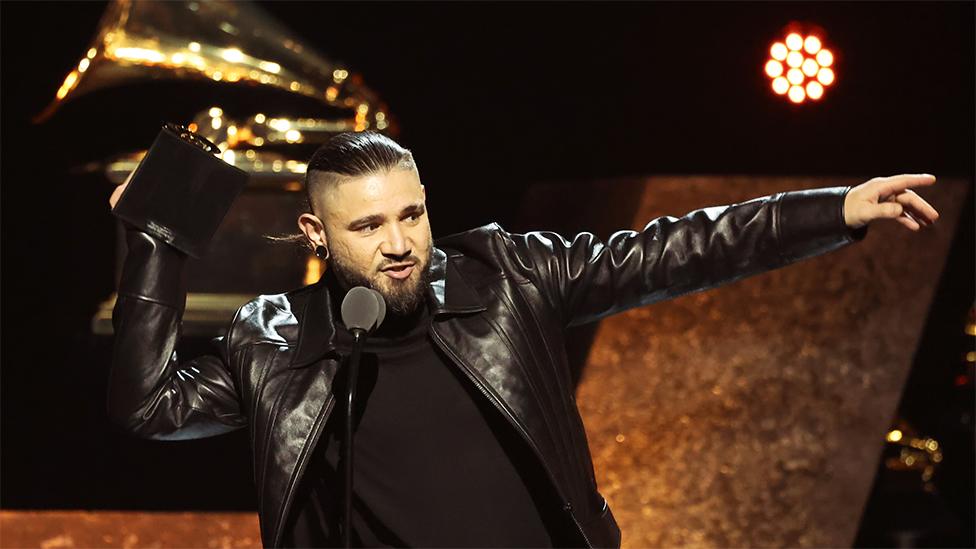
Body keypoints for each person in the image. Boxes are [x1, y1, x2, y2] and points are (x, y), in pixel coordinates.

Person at [106, 132, 940, 548]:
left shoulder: (507, 276)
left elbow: (674, 252)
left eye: (411, 214)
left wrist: (830, 211)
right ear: (315, 233)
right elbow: (152, 403)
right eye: (367, 225)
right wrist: (154, 240)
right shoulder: (279, 343)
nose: (399, 243)